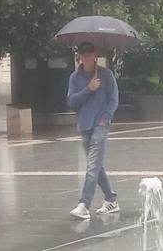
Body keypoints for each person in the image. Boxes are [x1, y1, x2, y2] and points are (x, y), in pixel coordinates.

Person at [67, 42, 120, 220]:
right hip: (84, 126)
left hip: (100, 126)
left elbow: (114, 99)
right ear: (80, 57)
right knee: (97, 166)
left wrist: (105, 119)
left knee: (91, 166)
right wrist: (88, 89)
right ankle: (111, 199)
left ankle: (84, 204)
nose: (87, 57)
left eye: (90, 54)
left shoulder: (106, 75)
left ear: (95, 55)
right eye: (84, 54)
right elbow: (72, 102)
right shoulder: (75, 77)